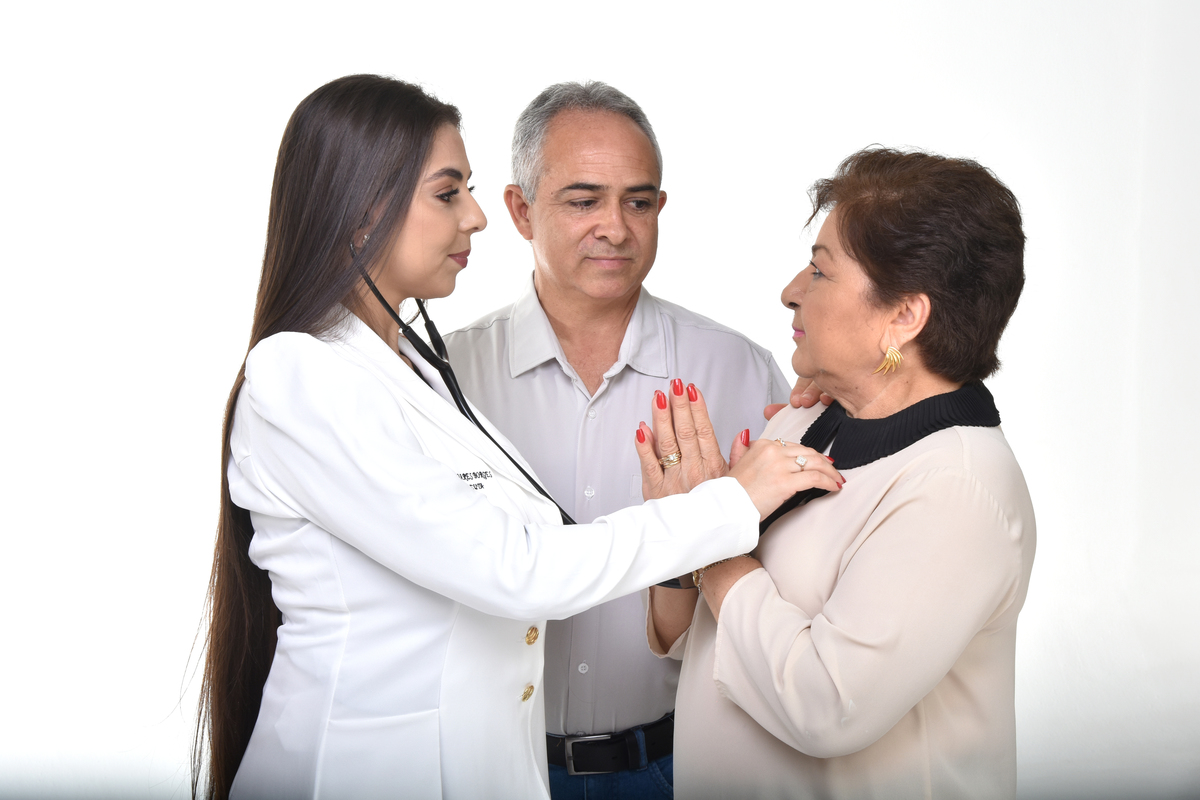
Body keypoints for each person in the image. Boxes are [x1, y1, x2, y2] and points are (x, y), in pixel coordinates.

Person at [191, 75, 841, 800]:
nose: (474, 217)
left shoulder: (414, 371)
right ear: (359, 211)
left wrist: (839, 393)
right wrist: (725, 505)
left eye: (638, 199)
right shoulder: (302, 375)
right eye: (447, 193)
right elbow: (517, 567)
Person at [645, 147, 1036, 798]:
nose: (790, 291)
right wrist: (682, 534)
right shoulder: (803, 420)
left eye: (820, 272)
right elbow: (705, 644)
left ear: (903, 317)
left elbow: (826, 707)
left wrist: (711, 547)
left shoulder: (956, 491)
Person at [443, 82, 791, 798]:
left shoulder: (738, 370)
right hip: (497, 771)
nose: (617, 227)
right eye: (583, 200)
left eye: (639, 201)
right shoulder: (446, 380)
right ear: (519, 210)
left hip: (675, 767)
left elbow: (789, 590)